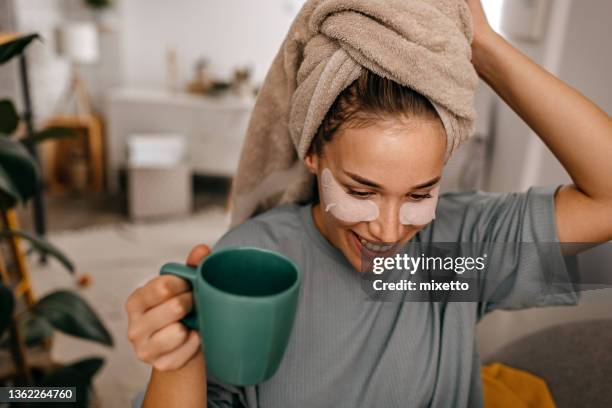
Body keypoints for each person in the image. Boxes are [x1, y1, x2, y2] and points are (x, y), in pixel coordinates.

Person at [125, 0, 612, 407]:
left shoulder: (457, 251)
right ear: (313, 153)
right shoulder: (251, 260)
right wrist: (177, 358)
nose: (389, 230)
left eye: (420, 194)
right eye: (361, 192)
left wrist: (481, 42)